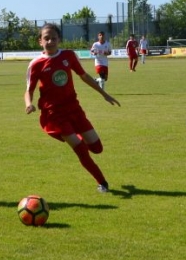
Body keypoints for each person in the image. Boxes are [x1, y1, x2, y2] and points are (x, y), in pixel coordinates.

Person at [25, 22, 121, 193]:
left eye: (54, 38)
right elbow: (29, 90)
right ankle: (102, 183)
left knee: (97, 148)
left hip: (74, 109)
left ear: (59, 40)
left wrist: (104, 94)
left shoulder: (68, 56)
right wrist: (28, 104)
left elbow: (84, 76)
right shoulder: (36, 64)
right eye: (46, 38)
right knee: (81, 150)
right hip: (54, 114)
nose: (50, 41)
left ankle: (79, 138)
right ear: (40, 41)